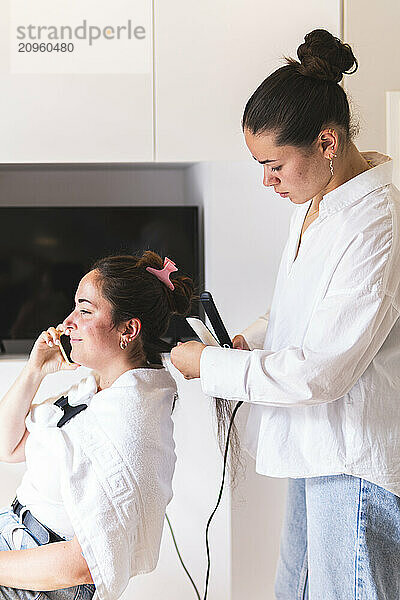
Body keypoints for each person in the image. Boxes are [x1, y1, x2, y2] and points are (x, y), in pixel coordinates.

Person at [170, 28, 400, 599]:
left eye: (274, 164)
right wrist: (245, 341)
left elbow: (323, 371)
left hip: (352, 461)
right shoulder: (315, 203)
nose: (266, 181)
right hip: (314, 449)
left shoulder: (376, 223)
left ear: (326, 141)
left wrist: (211, 368)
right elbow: (296, 310)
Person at [0, 251, 194, 600]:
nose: (67, 321)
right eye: (75, 307)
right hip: (14, 541)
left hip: (38, 582)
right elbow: (8, 446)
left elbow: (87, 562)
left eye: (85, 310)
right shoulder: (94, 390)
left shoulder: (132, 421)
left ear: (129, 329)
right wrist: (34, 372)